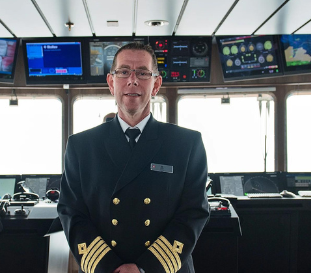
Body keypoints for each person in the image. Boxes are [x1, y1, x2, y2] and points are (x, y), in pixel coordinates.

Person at [58, 42, 209, 273]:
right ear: (111, 82)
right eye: (124, 71)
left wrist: (145, 268)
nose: (133, 80)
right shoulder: (81, 146)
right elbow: (72, 213)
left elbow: (193, 213)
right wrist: (108, 267)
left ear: (156, 84)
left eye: (143, 73)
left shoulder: (187, 144)